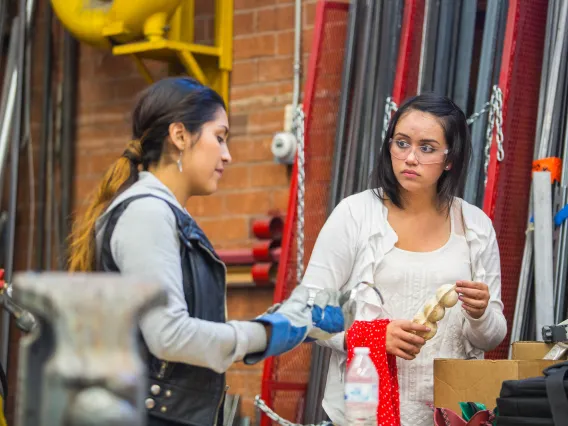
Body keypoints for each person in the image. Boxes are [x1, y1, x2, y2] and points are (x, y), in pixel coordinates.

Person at [67, 77, 344, 426]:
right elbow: (170, 336)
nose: (227, 155)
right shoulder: (147, 213)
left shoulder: (162, 214)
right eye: (220, 137)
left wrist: (281, 320)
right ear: (180, 136)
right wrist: (269, 332)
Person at [301, 93, 507, 426]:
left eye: (426, 148)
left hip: (446, 415)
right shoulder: (355, 214)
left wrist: (482, 313)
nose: (410, 157)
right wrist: (372, 335)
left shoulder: (475, 226)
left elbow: (491, 337)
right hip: (360, 413)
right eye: (401, 143)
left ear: (449, 159)